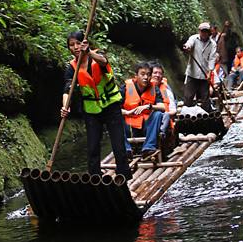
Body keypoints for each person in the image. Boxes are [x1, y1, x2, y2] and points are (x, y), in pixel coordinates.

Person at [61, 30, 131, 179]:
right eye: (71, 45)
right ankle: (95, 179)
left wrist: (90, 53)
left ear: (85, 44)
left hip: (111, 106)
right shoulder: (71, 67)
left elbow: (104, 62)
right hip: (91, 110)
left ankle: (123, 179)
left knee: (119, 146)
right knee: (92, 147)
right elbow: (68, 89)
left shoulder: (97, 57)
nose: (75, 47)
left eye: (78, 43)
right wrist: (65, 107)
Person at [120, 62, 166, 157]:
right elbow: (115, 110)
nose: (146, 77)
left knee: (158, 114)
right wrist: (128, 112)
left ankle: (149, 147)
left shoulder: (154, 88)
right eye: (143, 74)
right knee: (115, 118)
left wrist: (149, 106)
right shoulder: (125, 88)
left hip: (146, 126)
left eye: (148, 74)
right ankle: (126, 149)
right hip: (130, 126)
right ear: (136, 76)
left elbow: (163, 107)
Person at [182, 21, 217, 111]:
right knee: (188, 97)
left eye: (206, 31)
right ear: (199, 31)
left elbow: (212, 59)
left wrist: (209, 72)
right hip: (192, 74)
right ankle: (187, 116)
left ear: (209, 32)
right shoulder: (194, 38)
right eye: (202, 31)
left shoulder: (212, 44)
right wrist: (187, 47)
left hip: (204, 75)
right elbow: (189, 44)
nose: (204, 33)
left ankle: (206, 116)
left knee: (205, 98)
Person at [150, 62, 177, 136]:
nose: (157, 75)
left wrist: (162, 116)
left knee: (160, 115)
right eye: (155, 73)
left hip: (162, 122)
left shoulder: (166, 91)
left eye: (160, 73)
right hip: (145, 121)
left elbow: (173, 111)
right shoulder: (143, 88)